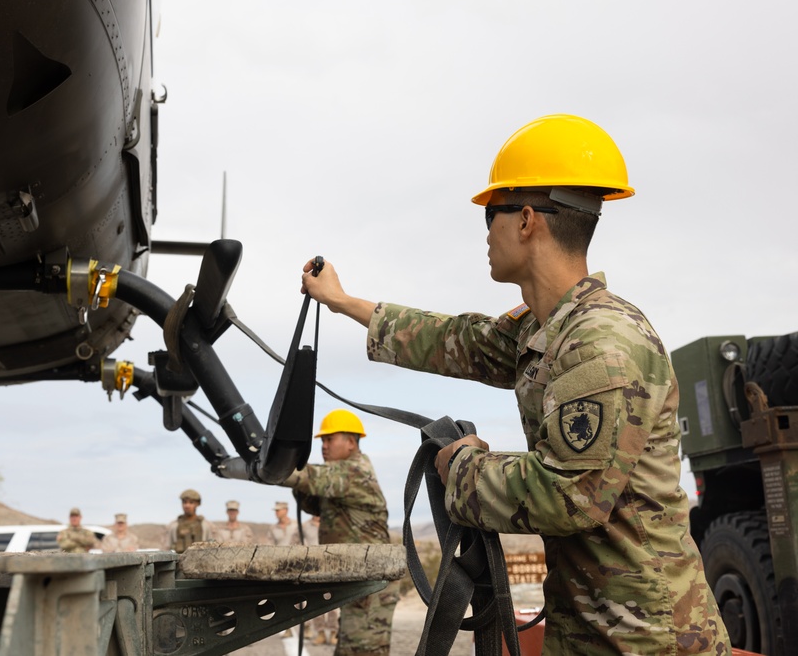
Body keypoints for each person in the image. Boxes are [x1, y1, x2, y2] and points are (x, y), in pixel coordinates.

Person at [299, 114, 729, 654]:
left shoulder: (600, 343)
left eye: (489, 216)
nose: (484, 233)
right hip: (596, 622)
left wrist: (460, 468)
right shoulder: (545, 327)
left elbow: (567, 495)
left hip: (645, 636)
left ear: (526, 221)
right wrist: (343, 302)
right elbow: (456, 338)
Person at [279, 409, 398, 656]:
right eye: (322, 440)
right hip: (359, 580)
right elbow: (312, 502)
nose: (323, 446)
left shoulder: (355, 472)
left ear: (351, 442)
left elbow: (311, 477)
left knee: (361, 652)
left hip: (372, 584)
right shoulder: (339, 478)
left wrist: (277, 463)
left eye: (329, 440)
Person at [301, 514, 340, 646]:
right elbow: (299, 544)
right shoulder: (305, 526)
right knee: (316, 602)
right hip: (312, 567)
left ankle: (334, 632)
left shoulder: (332, 523)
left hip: (331, 567)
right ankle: (320, 633)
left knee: (333, 602)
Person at [167, 488, 213, 553]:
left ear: (197, 504)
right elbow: (168, 548)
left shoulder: (205, 525)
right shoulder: (174, 526)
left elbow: (212, 548)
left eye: (191, 502)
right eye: (184, 502)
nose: (187, 505)